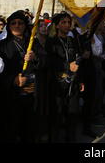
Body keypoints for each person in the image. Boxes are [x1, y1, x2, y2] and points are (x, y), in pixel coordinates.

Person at [0, 10, 38, 142]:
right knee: (9, 132)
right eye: (13, 23)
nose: (17, 26)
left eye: (20, 23)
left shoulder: (33, 43)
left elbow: (46, 62)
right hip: (10, 97)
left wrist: (35, 58)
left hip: (30, 95)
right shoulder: (1, 46)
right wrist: (13, 80)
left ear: (25, 26)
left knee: (28, 131)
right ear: (9, 26)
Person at [46, 12, 84, 143]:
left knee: (72, 114)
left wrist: (79, 80)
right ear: (56, 25)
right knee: (56, 115)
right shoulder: (51, 42)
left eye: (68, 22)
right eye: (63, 22)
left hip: (72, 83)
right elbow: (50, 61)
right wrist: (67, 66)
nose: (67, 25)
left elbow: (77, 58)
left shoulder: (72, 40)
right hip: (57, 84)